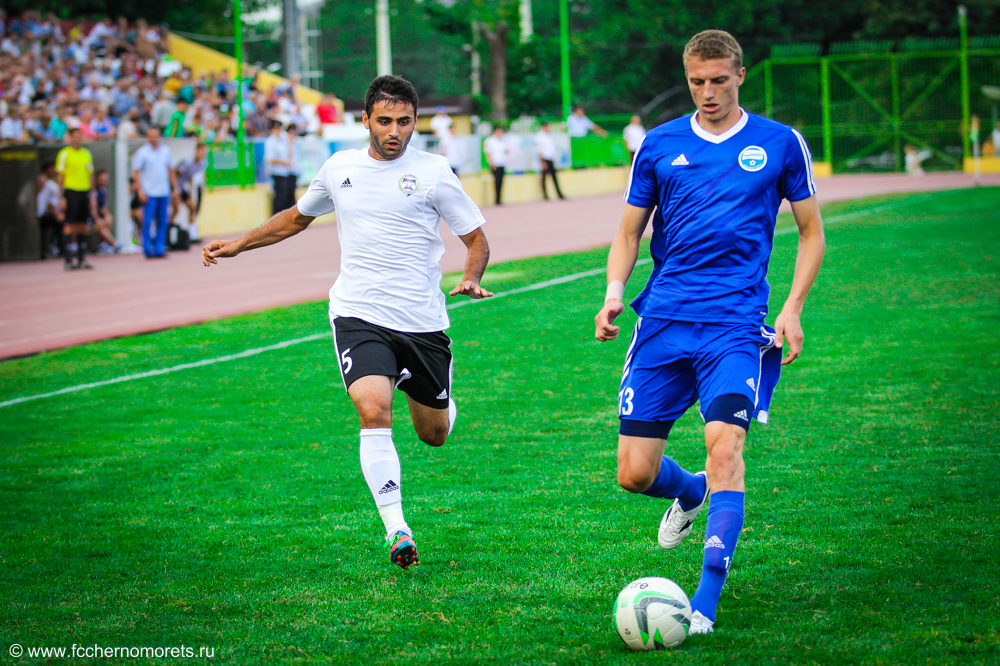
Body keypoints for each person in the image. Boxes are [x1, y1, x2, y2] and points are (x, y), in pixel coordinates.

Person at [202, 75, 492, 571]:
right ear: (366, 120)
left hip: (421, 321)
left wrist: (469, 277)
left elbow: (476, 239)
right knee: (373, 408)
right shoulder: (340, 168)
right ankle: (396, 527)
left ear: (415, 122)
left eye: (404, 121)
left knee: (433, 434)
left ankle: (440, 396)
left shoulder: (435, 172)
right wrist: (238, 244)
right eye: (385, 121)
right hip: (359, 313)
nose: (394, 131)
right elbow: (296, 217)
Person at [593, 30, 825, 635]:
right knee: (634, 474)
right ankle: (688, 492)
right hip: (663, 322)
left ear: (740, 75)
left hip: (735, 324)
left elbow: (810, 233)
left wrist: (793, 307)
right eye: (697, 82)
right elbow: (627, 234)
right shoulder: (660, 145)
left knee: (726, 447)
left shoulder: (779, 143)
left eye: (719, 80)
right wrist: (614, 293)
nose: (707, 93)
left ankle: (704, 605)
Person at [132, 127, 177, 258]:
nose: (154, 138)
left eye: (156, 136)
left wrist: (175, 188)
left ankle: (159, 248)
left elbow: (170, 171)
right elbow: (136, 173)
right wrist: (140, 190)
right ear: (147, 137)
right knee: (147, 221)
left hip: (163, 191)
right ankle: (147, 248)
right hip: (149, 192)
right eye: (151, 136)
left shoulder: (165, 151)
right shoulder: (142, 152)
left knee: (162, 221)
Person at [55, 127, 96, 270]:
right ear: (70, 137)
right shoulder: (64, 154)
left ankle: (81, 258)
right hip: (71, 192)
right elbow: (60, 176)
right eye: (75, 136)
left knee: (82, 226)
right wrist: (61, 196)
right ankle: (67, 259)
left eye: (80, 136)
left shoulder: (86, 154)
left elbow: (90, 174)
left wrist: (92, 196)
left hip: (84, 191)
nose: (78, 139)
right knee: (69, 225)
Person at [172, 143, 208, 242]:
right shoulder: (188, 162)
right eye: (200, 151)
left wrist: (190, 191)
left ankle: (192, 235)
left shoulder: (202, 163)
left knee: (193, 208)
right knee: (175, 210)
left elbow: (192, 177)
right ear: (196, 151)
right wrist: (175, 190)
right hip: (175, 186)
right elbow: (175, 174)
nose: (202, 153)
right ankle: (169, 231)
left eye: (203, 151)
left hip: (183, 187)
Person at [264, 120, 296, 215]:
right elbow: (270, 158)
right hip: (277, 172)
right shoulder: (271, 141)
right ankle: (277, 217)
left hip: (286, 171)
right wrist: (284, 162)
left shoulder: (282, 140)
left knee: (288, 196)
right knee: (280, 197)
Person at [37, 161, 63, 259]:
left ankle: (56, 247)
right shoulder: (31, 188)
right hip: (33, 217)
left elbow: (52, 205)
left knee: (60, 222)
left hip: (43, 216)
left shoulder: (51, 186)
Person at [535, 121, 565, 200]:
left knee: (554, 177)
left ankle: (559, 193)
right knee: (544, 178)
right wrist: (543, 162)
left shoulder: (549, 135)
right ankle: (545, 195)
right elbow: (539, 150)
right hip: (544, 159)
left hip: (550, 158)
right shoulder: (539, 136)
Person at [92, 169, 120, 252]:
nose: (102, 182)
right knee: (99, 224)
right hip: (88, 219)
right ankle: (115, 244)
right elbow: (91, 208)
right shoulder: (91, 190)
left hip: (97, 217)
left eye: (105, 180)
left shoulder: (103, 191)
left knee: (109, 219)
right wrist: (97, 219)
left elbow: (104, 208)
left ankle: (103, 244)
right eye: (101, 180)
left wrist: (106, 216)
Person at [483, 126, 507, 205]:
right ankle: (496, 199)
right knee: (496, 181)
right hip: (495, 164)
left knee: (501, 181)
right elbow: (488, 152)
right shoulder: (490, 141)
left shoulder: (502, 141)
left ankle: (500, 198)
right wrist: (491, 163)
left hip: (501, 163)